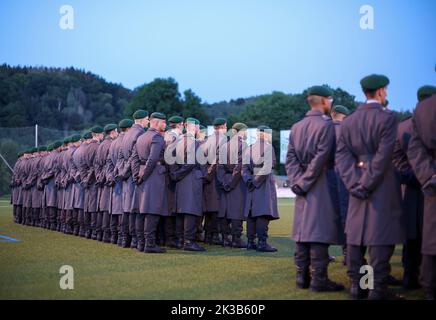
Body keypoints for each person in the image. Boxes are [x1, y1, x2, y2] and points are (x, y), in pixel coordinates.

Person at [336, 74, 406, 300]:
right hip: (380, 185)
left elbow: (342, 156)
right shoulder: (387, 118)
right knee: (379, 239)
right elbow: (384, 155)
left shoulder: (350, 120)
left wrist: (354, 182)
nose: (386, 93)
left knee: (358, 237)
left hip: (356, 185)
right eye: (385, 90)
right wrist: (366, 183)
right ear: (380, 91)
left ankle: (359, 287)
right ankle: (377, 290)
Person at [286, 86, 345, 292]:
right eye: (329, 99)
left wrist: (297, 182)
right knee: (319, 231)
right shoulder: (327, 125)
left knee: (303, 231)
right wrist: (305, 181)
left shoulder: (297, 126)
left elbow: (291, 158)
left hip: (302, 184)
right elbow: (322, 157)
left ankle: (302, 277)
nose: (330, 102)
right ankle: (319, 280)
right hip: (320, 182)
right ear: (324, 101)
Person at [407, 89, 436, 300]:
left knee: (428, 237)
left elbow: (414, 150)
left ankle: (428, 284)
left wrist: (429, 176)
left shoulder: (420, 112)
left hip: (425, 185)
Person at [131, 112, 169, 253]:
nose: (165, 125)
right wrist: (144, 176)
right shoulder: (156, 137)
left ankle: (141, 243)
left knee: (141, 210)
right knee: (152, 210)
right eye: (163, 122)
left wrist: (137, 175)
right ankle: (150, 244)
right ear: (156, 123)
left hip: (142, 173)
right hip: (152, 176)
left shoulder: (141, 137)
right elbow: (152, 160)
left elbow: (134, 158)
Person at [170, 117, 206, 251]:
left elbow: (171, 160)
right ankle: (189, 241)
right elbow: (191, 163)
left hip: (180, 179)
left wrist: (175, 174)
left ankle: (180, 240)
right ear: (195, 127)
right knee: (190, 210)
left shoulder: (178, 140)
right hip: (191, 178)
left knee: (180, 210)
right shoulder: (195, 143)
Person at [242, 125, 279, 252]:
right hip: (262, 184)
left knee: (251, 214)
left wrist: (249, 180)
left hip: (251, 183)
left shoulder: (249, 148)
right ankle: (262, 243)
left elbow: (244, 168)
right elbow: (267, 167)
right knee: (263, 213)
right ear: (266, 134)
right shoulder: (268, 147)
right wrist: (256, 181)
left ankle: (250, 242)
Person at [119, 110, 149, 248]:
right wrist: (134, 174)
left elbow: (121, 156)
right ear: (142, 120)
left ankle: (125, 239)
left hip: (127, 174)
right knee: (134, 209)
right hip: (133, 174)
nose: (148, 121)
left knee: (127, 208)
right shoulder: (139, 133)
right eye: (147, 119)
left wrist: (122, 171)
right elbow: (134, 156)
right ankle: (134, 240)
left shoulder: (127, 134)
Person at [217, 122, 249, 248]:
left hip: (225, 179)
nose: (246, 133)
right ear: (240, 131)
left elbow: (220, 167)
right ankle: (236, 239)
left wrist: (223, 181)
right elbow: (240, 167)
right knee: (237, 210)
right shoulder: (243, 145)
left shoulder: (224, 146)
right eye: (245, 131)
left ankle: (225, 238)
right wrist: (231, 184)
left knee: (225, 210)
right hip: (237, 182)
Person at [106, 119, 134, 245]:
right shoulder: (127, 140)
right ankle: (126, 239)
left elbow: (109, 163)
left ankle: (117, 238)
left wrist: (110, 176)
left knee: (117, 210)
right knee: (126, 210)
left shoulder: (113, 143)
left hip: (116, 178)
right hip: (126, 178)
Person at [202, 117, 228, 245]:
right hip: (216, 175)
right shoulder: (223, 139)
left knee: (208, 208)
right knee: (216, 208)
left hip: (208, 174)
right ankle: (214, 236)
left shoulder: (208, 138)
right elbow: (219, 158)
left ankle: (208, 235)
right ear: (223, 126)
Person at [331, 105, 351, 265]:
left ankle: (320, 255)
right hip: (344, 179)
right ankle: (348, 254)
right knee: (346, 218)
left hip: (324, 180)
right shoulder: (347, 131)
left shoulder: (321, 130)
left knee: (322, 218)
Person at [95, 124, 118, 242]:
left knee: (103, 207)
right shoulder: (111, 144)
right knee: (109, 207)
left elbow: (97, 164)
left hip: (102, 177)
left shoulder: (101, 145)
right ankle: (108, 235)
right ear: (113, 132)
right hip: (109, 177)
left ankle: (102, 234)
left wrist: (99, 176)